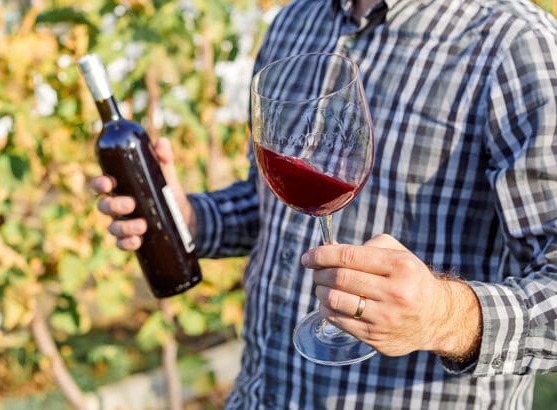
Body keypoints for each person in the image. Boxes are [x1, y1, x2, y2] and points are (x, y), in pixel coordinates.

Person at [91, 0, 557, 407]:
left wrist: (444, 317)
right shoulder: (294, 22)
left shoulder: (515, 45)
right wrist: (191, 217)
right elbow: (274, 203)